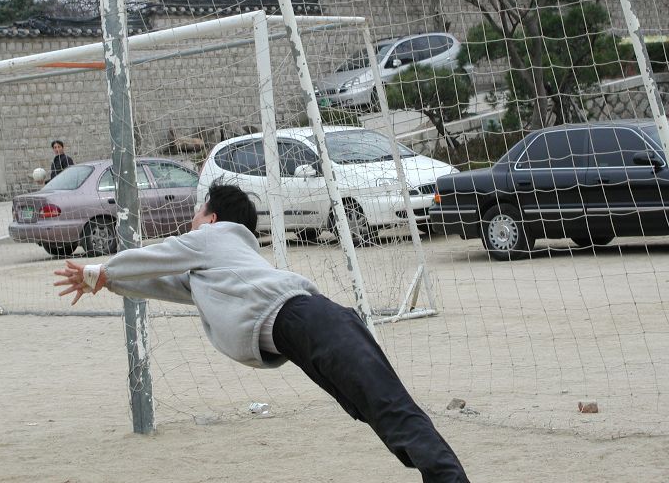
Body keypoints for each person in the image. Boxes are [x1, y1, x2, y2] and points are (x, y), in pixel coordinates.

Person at [54, 183, 469, 483]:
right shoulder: (213, 269)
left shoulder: (210, 238)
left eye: (197, 213)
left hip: (313, 321)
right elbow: (159, 281)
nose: (190, 221)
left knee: (392, 412)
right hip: (307, 333)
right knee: (376, 413)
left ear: (212, 219)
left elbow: (156, 255)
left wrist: (99, 269)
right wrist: (107, 281)